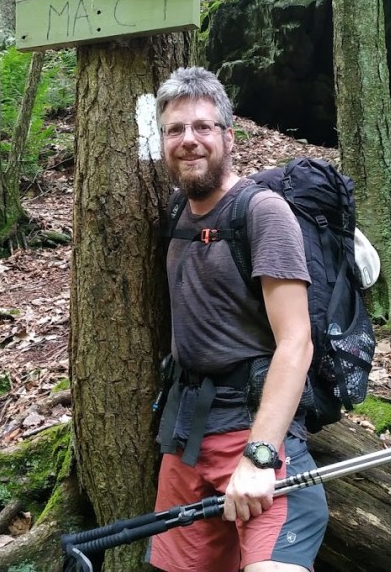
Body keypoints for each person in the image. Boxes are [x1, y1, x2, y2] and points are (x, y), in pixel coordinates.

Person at [149, 67, 327, 572]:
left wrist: (261, 455)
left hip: (253, 431)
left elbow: (297, 342)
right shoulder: (177, 212)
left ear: (228, 136)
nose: (188, 140)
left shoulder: (262, 212)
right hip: (185, 438)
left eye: (202, 126)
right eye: (175, 130)